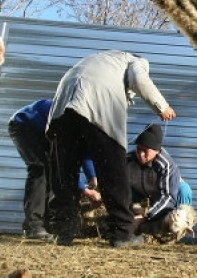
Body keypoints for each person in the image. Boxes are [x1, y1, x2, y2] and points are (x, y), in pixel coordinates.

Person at [46, 50, 176, 247]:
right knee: (113, 169)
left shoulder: (100, 59)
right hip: (98, 97)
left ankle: (62, 231)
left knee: (64, 170)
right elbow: (139, 79)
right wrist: (161, 106)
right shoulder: (135, 61)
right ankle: (122, 233)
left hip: (64, 99)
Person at [8, 99, 100, 241]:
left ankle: (47, 225)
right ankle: (33, 226)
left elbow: (85, 152)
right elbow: (63, 163)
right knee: (41, 169)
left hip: (45, 131)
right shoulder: (73, 120)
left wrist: (93, 178)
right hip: (25, 125)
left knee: (52, 174)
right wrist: (84, 190)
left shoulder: (94, 125)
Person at [126, 123, 193, 238]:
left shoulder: (166, 165)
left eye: (145, 151)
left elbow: (168, 198)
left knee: (183, 189)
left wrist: (143, 217)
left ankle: (175, 232)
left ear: (157, 151)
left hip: (165, 203)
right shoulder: (129, 159)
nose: (140, 154)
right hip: (143, 197)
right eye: (138, 149)